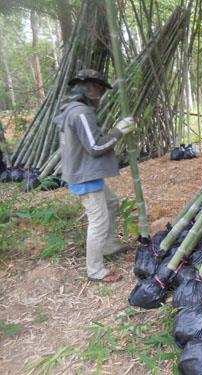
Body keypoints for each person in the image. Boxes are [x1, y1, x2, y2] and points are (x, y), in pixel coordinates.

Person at [56, 69, 135, 283]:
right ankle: (96, 270)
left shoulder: (71, 109)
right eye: (97, 89)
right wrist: (119, 131)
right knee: (98, 221)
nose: (98, 94)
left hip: (83, 171)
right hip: (85, 175)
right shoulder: (81, 113)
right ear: (86, 88)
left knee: (111, 202)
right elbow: (95, 147)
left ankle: (108, 246)